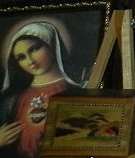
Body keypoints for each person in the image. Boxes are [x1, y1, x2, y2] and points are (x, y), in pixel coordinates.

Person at [0, 21, 83, 158]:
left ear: (51, 46)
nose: (30, 61)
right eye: (21, 57)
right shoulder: (11, 99)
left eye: (34, 49)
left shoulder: (76, 92)